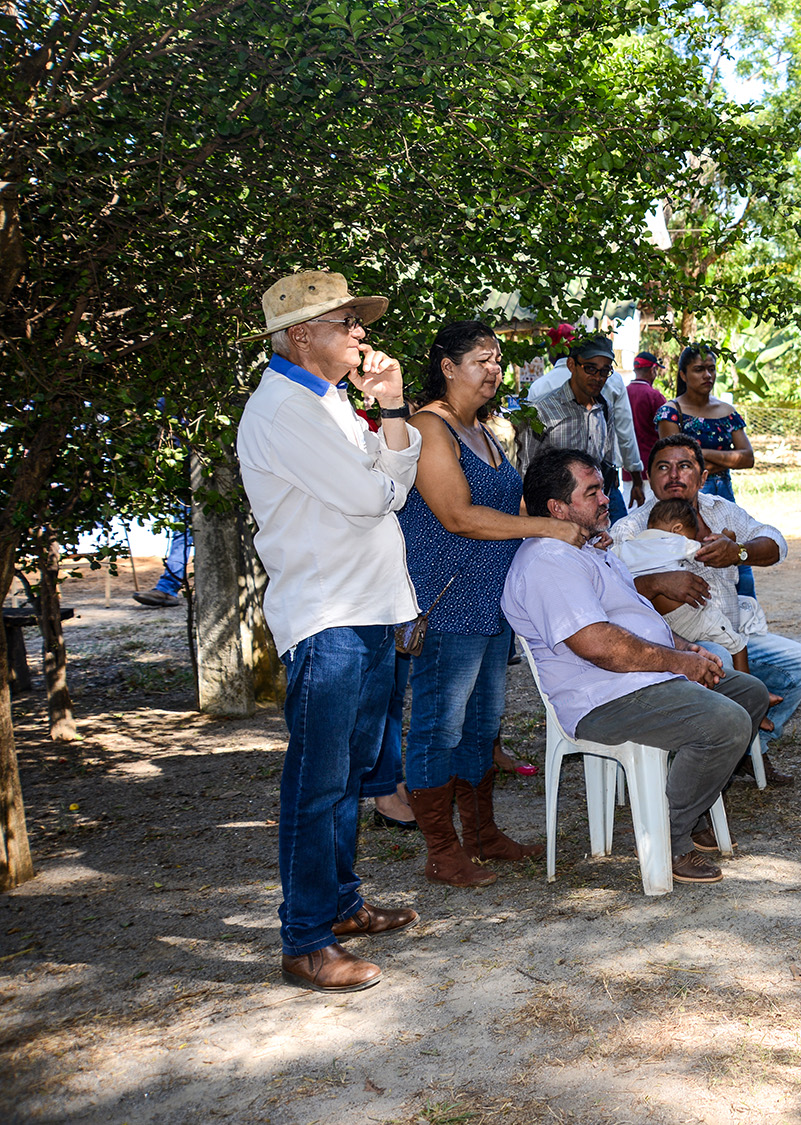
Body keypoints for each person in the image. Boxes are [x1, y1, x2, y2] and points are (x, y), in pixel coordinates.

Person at [236, 270, 422, 993]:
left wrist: (394, 410)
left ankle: (341, 908)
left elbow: (390, 476)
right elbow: (379, 492)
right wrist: (390, 448)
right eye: (347, 322)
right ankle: (305, 940)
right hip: (330, 620)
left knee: (347, 777)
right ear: (302, 335)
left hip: (363, 612)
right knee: (317, 786)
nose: (361, 333)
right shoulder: (286, 411)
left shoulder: (328, 402)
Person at [503, 450, 770, 886]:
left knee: (748, 693)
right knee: (724, 721)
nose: (607, 499)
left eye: (603, 489)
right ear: (557, 508)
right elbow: (599, 647)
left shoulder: (591, 547)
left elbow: (636, 618)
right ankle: (669, 835)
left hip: (642, 678)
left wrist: (687, 649)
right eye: (592, 493)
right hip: (604, 696)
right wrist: (680, 663)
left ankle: (690, 805)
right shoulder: (548, 560)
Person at [397, 319, 574, 889]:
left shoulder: (485, 431)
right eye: (482, 359)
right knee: (437, 730)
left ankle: (482, 835)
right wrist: (546, 527)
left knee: (481, 729)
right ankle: (442, 852)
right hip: (447, 605)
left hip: (491, 607)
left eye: (497, 359)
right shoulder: (429, 427)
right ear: (447, 367)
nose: (494, 369)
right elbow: (456, 515)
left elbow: (503, 506)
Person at [610, 436, 801, 775]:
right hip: (678, 644)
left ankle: (749, 747)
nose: (674, 475)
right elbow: (608, 593)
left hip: (734, 632)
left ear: (703, 476)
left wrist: (738, 552)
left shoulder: (720, 511)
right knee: (719, 662)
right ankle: (717, 749)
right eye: (663, 467)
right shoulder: (631, 529)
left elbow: (776, 543)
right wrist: (655, 583)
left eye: (685, 466)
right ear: (649, 476)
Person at [656, 345, 756, 594]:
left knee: (737, 556)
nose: (707, 375)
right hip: (689, 498)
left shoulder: (728, 412)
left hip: (724, 494)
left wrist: (700, 455)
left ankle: (747, 620)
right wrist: (717, 459)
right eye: (699, 369)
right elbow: (676, 465)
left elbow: (747, 458)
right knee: (695, 558)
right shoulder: (671, 413)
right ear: (682, 375)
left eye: (711, 369)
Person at [523, 336, 645, 523]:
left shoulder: (604, 407)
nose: (598, 377)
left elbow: (609, 454)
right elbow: (525, 471)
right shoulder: (542, 410)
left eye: (605, 371)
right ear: (572, 365)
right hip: (558, 514)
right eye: (590, 368)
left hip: (596, 505)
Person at [612, 498, 749, 662]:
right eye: (689, 536)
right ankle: (747, 683)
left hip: (656, 623)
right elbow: (708, 551)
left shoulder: (624, 547)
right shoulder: (676, 542)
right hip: (687, 617)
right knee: (736, 643)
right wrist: (727, 539)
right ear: (677, 529)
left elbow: (607, 565)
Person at [626, 351, 667, 469]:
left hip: (628, 465)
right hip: (651, 464)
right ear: (652, 370)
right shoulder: (655, 397)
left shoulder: (622, 393)